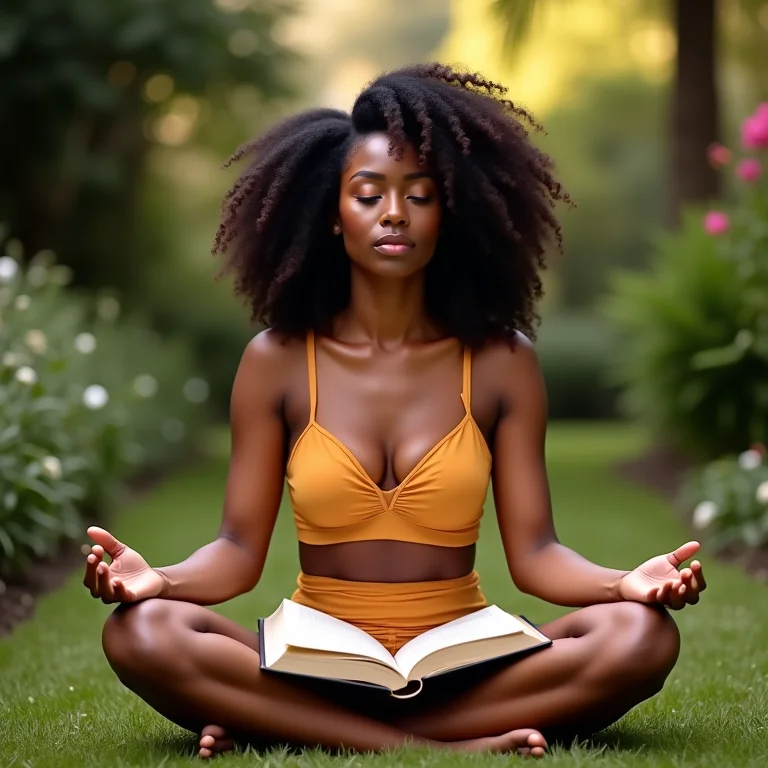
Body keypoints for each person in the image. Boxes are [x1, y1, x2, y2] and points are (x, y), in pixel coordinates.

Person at [82, 63, 706, 759]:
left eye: (421, 194)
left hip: (466, 661)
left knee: (640, 635)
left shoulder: (501, 360)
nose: (394, 213)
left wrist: (624, 583)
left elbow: (536, 555)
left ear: (450, 211)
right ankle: (434, 745)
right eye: (368, 193)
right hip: (315, 662)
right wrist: (158, 579)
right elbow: (236, 551)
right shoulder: (278, 360)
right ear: (331, 213)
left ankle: (285, 725)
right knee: (141, 631)